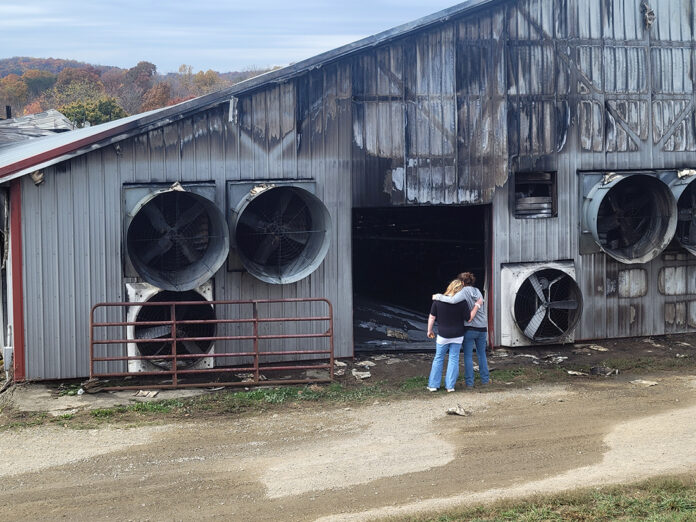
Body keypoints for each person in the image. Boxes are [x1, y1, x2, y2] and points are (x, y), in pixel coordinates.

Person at [432, 272, 489, 388]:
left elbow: (452, 300)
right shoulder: (478, 291)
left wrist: (438, 296)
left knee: (468, 356)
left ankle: (470, 383)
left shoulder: (463, 291)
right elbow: (480, 304)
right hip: (482, 327)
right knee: (482, 354)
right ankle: (485, 380)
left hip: (470, 328)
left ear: (462, 282)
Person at [426, 279, 471, 392]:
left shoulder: (437, 301)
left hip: (443, 335)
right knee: (454, 359)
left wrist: (429, 330)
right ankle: (450, 386)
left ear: (450, 287)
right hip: (458, 334)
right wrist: (477, 306)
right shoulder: (463, 302)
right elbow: (467, 318)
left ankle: (433, 385)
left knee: (439, 358)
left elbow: (432, 317)